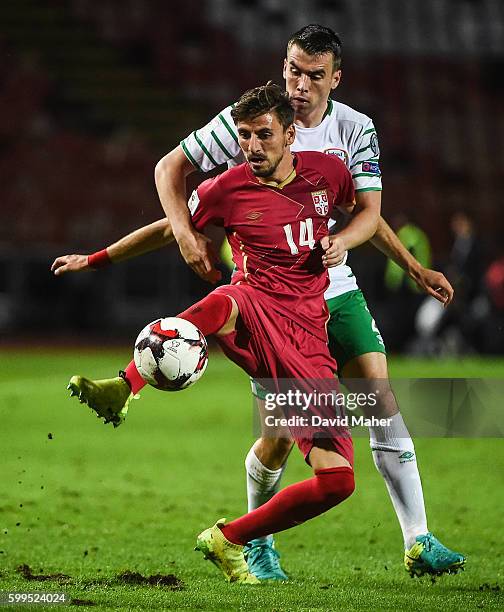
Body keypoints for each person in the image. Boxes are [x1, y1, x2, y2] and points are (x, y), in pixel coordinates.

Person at [53, 25, 465, 579]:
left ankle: (417, 539)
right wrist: (161, 239)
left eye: (313, 74)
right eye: (293, 69)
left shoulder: (351, 136)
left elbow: (367, 212)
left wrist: (402, 263)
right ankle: (249, 536)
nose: (299, 82)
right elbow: (169, 171)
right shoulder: (243, 131)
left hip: (332, 296)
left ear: (334, 79)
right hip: (264, 299)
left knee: (378, 397)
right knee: (274, 429)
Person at [61, 83, 373, 584]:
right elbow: (169, 226)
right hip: (253, 307)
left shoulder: (330, 176)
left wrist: (350, 243)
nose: (252, 146)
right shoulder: (227, 187)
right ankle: (124, 385)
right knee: (228, 300)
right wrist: (96, 258)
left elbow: (367, 217)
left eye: (263, 135)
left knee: (337, 481)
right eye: (245, 135)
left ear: (291, 134)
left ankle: (230, 539)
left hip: (307, 341)